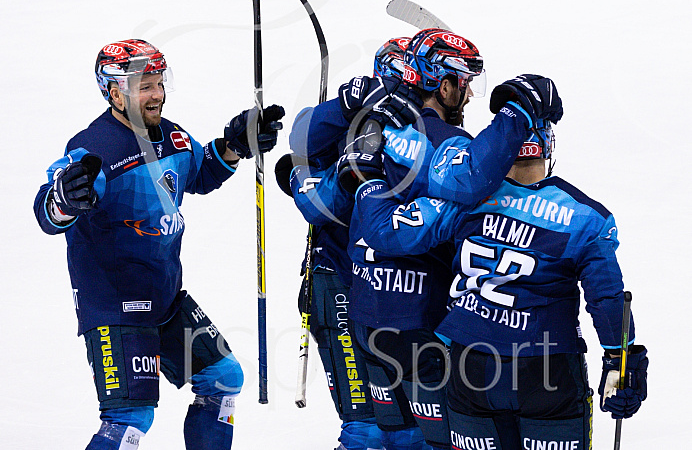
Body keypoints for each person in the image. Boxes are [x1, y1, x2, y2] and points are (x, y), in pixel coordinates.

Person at [351, 75, 649, 450]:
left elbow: (388, 236)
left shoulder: (465, 200)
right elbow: (607, 299)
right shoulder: (586, 217)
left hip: (469, 367)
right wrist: (623, 362)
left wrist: (367, 178)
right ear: (546, 143)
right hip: (546, 372)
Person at [33, 39, 285, 450]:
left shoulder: (171, 136)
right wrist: (63, 198)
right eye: (143, 86)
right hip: (117, 306)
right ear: (114, 92)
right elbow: (49, 210)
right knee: (130, 418)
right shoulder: (94, 148)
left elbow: (199, 174)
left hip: (165, 299)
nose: (156, 94)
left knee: (223, 379)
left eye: (158, 82)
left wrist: (235, 147)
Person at [274, 37, 415, 450]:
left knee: (409, 430)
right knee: (366, 428)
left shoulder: (422, 135)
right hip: (337, 283)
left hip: (394, 294)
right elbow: (301, 137)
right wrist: (343, 107)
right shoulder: (341, 131)